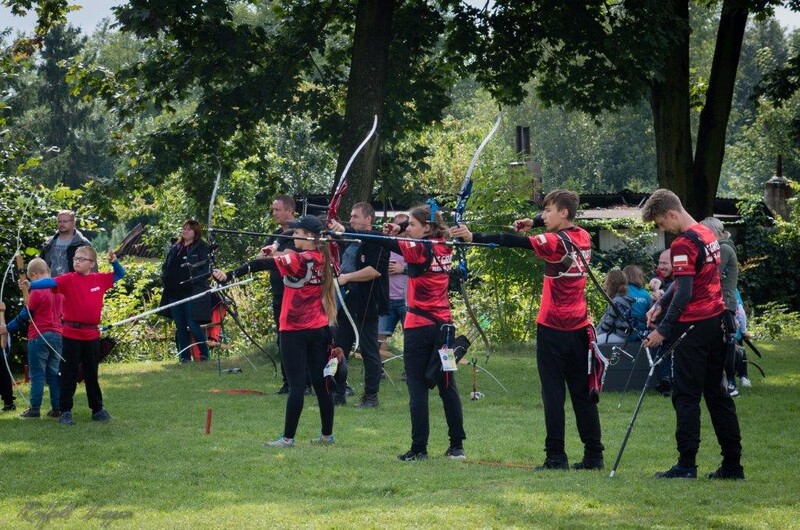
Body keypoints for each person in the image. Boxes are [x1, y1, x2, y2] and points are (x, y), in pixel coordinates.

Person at [452, 189, 603, 471]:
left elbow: (513, 241)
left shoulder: (554, 241)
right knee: (582, 393)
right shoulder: (582, 235)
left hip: (553, 329)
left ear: (563, 213)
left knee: (553, 394)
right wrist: (533, 221)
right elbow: (548, 224)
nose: (544, 215)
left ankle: (556, 457)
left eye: (548, 210)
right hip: (579, 328)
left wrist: (474, 237)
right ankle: (594, 456)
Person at [348, 204, 466, 460]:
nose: (408, 229)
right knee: (447, 385)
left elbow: (383, 241)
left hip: (419, 327)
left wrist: (343, 230)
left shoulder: (419, 249)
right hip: (444, 327)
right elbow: (401, 238)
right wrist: (400, 227)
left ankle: (419, 448)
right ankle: (457, 446)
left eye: (412, 225)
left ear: (427, 227)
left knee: (417, 388)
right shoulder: (443, 245)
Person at [641, 189, 743, 480]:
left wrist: (664, 329)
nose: (663, 229)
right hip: (717, 323)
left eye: (661, 223)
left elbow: (684, 291)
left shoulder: (683, 243)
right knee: (718, 395)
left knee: (686, 396)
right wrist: (660, 303)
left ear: (672, 213)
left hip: (693, 328)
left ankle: (686, 465)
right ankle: (733, 466)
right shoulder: (706, 234)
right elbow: (685, 281)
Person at [212, 215, 337, 447]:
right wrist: (277, 248)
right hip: (319, 328)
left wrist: (229, 275)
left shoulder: (298, 259)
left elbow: (261, 264)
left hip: (294, 330)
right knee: (322, 385)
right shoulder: (322, 257)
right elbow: (286, 246)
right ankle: (327, 436)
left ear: (309, 236)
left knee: (296, 385)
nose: (293, 235)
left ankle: (288, 439)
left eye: (297, 232)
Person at [25, 246, 125, 425]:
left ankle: (97, 409)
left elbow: (120, 274)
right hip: (71, 335)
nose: (76, 261)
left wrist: (114, 261)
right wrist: (31, 285)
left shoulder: (100, 279)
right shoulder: (68, 279)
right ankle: (65, 411)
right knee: (69, 374)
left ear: (92, 263)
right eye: (75, 259)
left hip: (92, 335)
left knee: (91, 374)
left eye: (81, 259)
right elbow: (50, 283)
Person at [328, 202, 389, 409]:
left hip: (367, 302)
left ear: (368, 219)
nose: (351, 219)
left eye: (356, 216)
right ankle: (338, 392)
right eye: (351, 216)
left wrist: (346, 278)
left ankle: (371, 396)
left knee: (369, 349)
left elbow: (374, 271)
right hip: (346, 300)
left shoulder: (377, 239)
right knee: (339, 347)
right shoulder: (351, 239)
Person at [0, 258, 63, 418]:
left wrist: (7, 328)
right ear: (48, 271)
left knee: (37, 374)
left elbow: (25, 315)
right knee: (54, 373)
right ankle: (57, 408)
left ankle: (35, 408)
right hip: (58, 335)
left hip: (38, 336)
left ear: (34, 275)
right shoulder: (59, 291)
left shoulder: (36, 292)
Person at [262, 196, 309, 395]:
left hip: (296, 294)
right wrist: (273, 255)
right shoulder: (275, 235)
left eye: (278, 210)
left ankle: (304, 382)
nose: (274, 213)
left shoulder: (298, 233)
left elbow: (287, 257)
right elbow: (262, 257)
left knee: (297, 339)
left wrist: (273, 256)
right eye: (273, 210)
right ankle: (287, 382)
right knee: (282, 339)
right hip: (278, 293)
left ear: (290, 211)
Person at [701, 216, 746, 396]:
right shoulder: (722, 247)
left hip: (724, 303)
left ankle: (730, 384)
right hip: (722, 302)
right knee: (722, 344)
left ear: (712, 231)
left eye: (704, 232)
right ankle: (724, 383)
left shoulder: (723, 249)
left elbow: (711, 274)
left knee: (725, 345)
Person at [159, 220, 212, 363]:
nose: (185, 231)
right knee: (180, 326)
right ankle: (184, 357)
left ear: (196, 232)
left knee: (193, 324)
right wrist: (165, 279)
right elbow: (166, 266)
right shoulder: (175, 247)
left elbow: (206, 269)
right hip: (173, 292)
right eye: (184, 228)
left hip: (191, 292)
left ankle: (204, 354)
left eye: (189, 229)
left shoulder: (201, 247)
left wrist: (193, 280)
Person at [378, 213, 409, 358]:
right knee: (380, 335)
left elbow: (421, 268)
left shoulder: (412, 246)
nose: (400, 229)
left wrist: (402, 269)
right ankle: (378, 367)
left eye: (403, 225)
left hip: (406, 300)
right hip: (387, 297)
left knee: (410, 337)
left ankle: (409, 368)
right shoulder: (387, 245)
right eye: (397, 225)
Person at [649, 249, 674, 395]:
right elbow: (657, 278)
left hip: (675, 326)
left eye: (665, 263)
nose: (661, 266)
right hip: (661, 325)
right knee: (656, 345)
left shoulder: (681, 280)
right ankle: (665, 380)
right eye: (659, 263)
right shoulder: (660, 278)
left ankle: (667, 379)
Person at [40, 210, 94, 277]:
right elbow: (40, 268)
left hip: (75, 283)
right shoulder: (49, 244)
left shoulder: (83, 244)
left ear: (74, 222)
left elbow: (92, 270)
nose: (62, 224)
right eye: (59, 221)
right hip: (52, 282)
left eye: (65, 221)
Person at [595, 268, 633, 344]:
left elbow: (607, 323)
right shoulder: (621, 299)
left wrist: (595, 336)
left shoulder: (616, 301)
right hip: (620, 334)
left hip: (617, 335)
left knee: (591, 344)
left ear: (610, 284)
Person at [623, 264, 652, 340]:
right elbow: (651, 316)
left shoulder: (622, 292)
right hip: (642, 335)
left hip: (624, 334)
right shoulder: (646, 294)